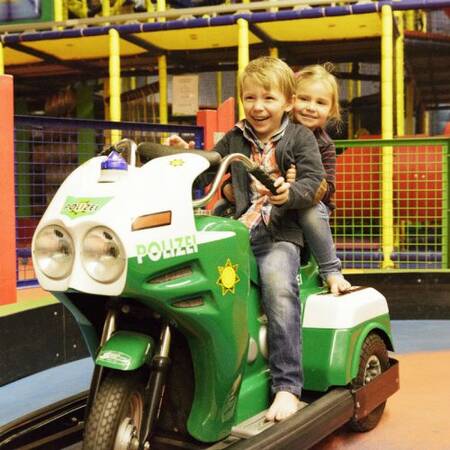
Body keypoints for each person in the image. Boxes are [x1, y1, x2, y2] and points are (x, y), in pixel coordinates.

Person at [167, 56, 326, 422]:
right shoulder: (236, 137)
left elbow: (312, 181)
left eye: (268, 98)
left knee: (278, 289)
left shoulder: (300, 138)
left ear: (287, 102)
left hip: (278, 234)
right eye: (250, 97)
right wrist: (182, 155)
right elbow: (208, 168)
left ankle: (287, 387)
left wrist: (291, 193)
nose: (258, 106)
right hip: (237, 230)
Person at [289, 64, 351, 294]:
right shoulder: (280, 132)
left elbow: (329, 188)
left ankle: (331, 270)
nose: (310, 107)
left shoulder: (325, 145)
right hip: (277, 199)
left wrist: (304, 183)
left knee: (311, 212)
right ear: (290, 99)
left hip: (311, 202)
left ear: (331, 110)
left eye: (320, 102)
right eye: (304, 99)